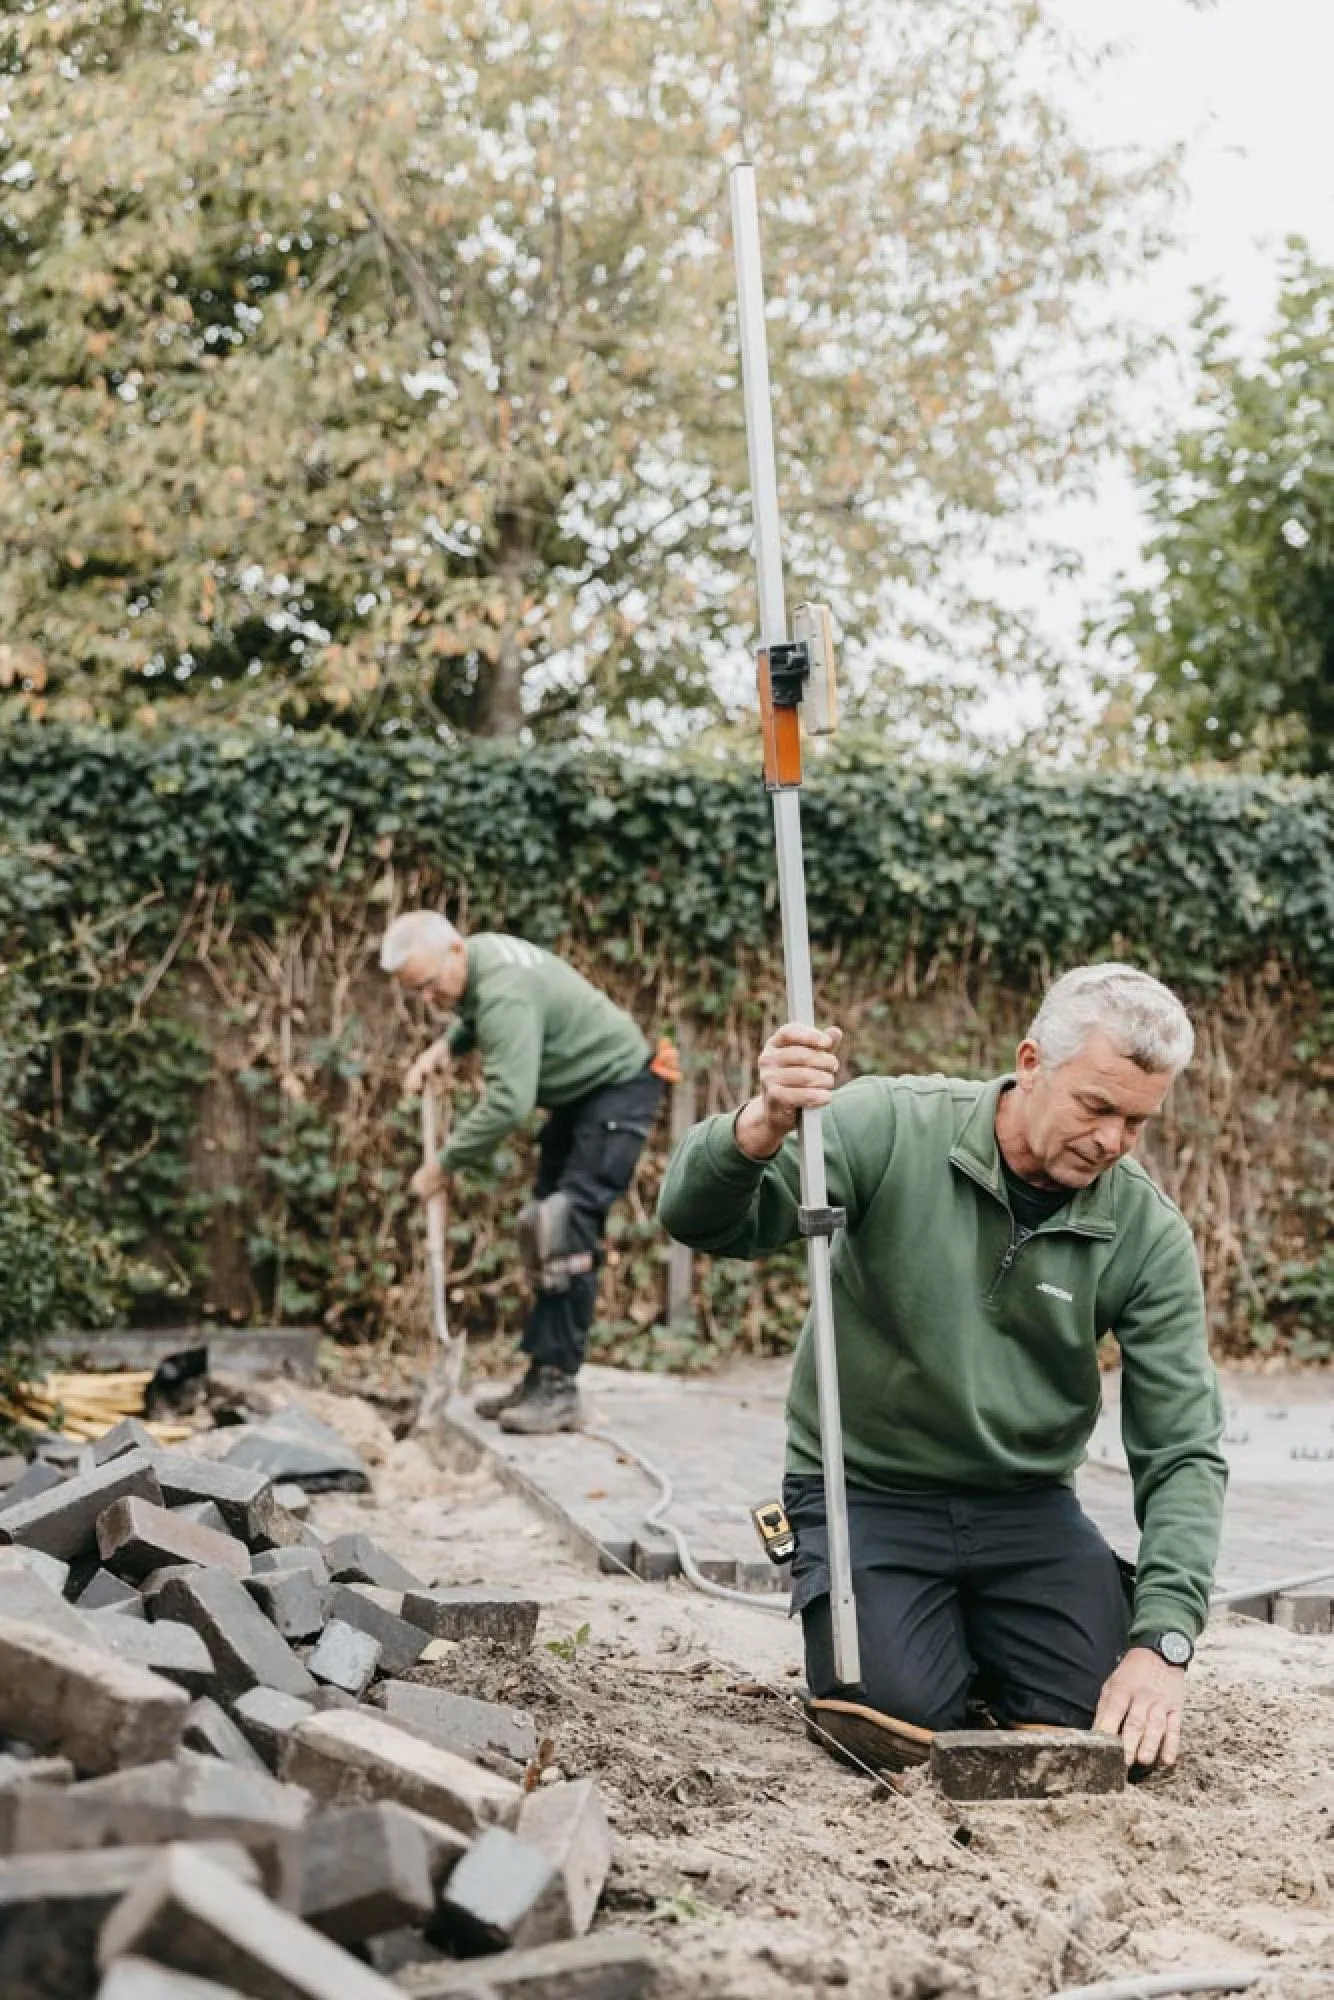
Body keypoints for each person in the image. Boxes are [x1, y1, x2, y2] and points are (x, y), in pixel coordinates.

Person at [658, 963, 1226, 1775]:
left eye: (1137, 1123)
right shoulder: (888, 1124)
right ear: (1031, 1062)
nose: (1112, 1142)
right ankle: (931, 1644)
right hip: (866, 1487)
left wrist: (1164, 1641)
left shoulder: (1147, 1231)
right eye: (1096, 1107)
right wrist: (761, 1125)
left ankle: (990, 1638)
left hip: (1025, 1507)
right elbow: (702, 1220)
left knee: (1093, 1731)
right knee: (890, 1721)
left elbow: (1183, 1451)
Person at [381, 911, 674, 1434]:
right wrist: (446, 1047)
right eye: (416, 993)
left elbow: (509, 1103)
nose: (429, 1000)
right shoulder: (480, 957)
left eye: (428, 986)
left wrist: (443, 1165)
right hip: (582, 1096)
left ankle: (559, 1386)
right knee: (541, 1228)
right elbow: (475, 1014)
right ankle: (542, 1376)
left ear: (455, 952)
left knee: (565, 1228)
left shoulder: (501, 991)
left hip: (616, 1087)